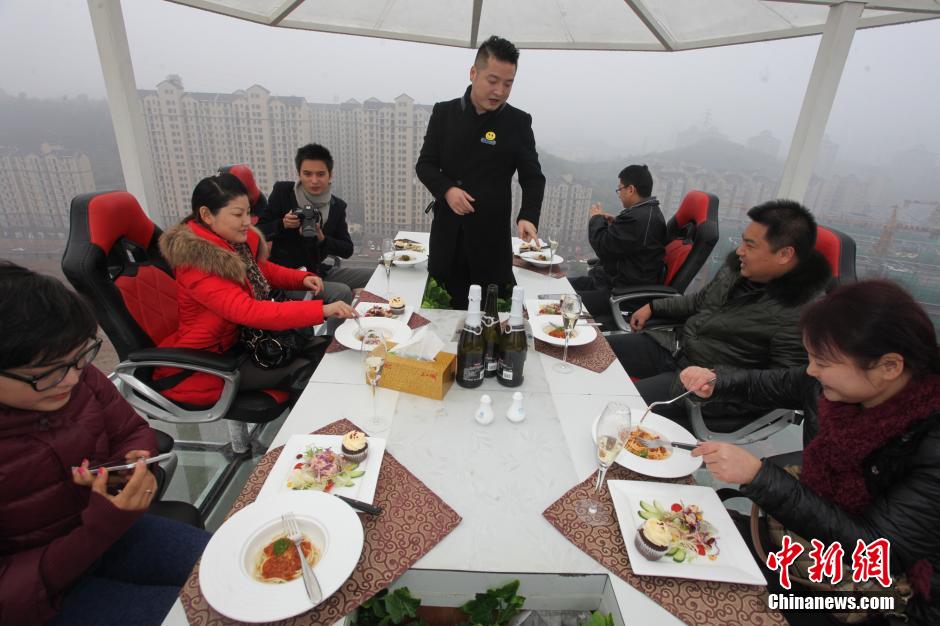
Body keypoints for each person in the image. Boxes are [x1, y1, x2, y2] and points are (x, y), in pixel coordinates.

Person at [680, 280, 940, 625]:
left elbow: (878, 551)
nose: (811, 370)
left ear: (888, 366)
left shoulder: (929, 443)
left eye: (823, 362)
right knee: (685, 544)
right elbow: (772, 384)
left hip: (874, 595)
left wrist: (760, 477)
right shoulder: (832, 387)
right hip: (803, 539)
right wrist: (717, 383)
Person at [0, 261, 210, 626]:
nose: (69, 379)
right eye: (45, 374)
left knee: (235, 569)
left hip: (112, 533)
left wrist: (129, 466)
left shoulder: (76, 375)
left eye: (79, 357)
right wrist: (99, 527)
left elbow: (131, 431)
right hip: (42, 596)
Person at [609, 199, 831, 424]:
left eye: (750, 246)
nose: (740, 251)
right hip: (674, 347)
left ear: (784, 254)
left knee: (613, 405)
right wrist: (654, 306)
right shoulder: (739, 269)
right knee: (593, 355)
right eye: (742, 241)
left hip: (703, 385)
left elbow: (783, 385)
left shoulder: (801, 313)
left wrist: (718, 382)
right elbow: (700, 301)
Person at [155, 173, 355, 406]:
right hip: (212, 360)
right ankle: (308, 439)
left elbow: (262, 270)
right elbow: (249, 311)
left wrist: (301, 278)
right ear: (207, 215)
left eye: (248, 212)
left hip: (248, 339)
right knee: (316, 370)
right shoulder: (196, 264)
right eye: (238, 214)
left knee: (329, 350)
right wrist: (322, 310)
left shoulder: (233, 242)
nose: (247, 221)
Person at [416, 35, 546, 308]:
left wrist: (528, 216)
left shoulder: (518, 122)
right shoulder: (444, 113)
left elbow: (532, 177)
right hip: (447, 242)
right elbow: (425, 164)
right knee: (439, 328)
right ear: (474, 73)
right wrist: (448, 190)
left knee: (494, 332)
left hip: (491, 245)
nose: (499, 91)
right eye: (493, 80)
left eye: (508, 83)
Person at [258, 143, 373, 304]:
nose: (314, 181)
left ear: (330, 175)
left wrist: (322, 239)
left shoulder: (336, 206)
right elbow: (257, 232)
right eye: (307, 174)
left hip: (318, 271)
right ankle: (336, 330)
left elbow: (347, 249)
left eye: (320, 174)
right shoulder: (283, 193)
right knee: (342, 292)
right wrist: (282, 224)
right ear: (299, 173)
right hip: (287, 277)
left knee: (376, 275)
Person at [570, 164, 666, 316]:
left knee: (562, 302)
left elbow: (602, 246)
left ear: (631, 189)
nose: (619, 193)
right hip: (608, 280)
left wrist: (596, 218)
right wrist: (616, 223)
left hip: (619, 293)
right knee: (559, 286)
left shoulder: (638, 219)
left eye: (620, 189)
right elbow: (632, 241)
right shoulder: (648, 213)